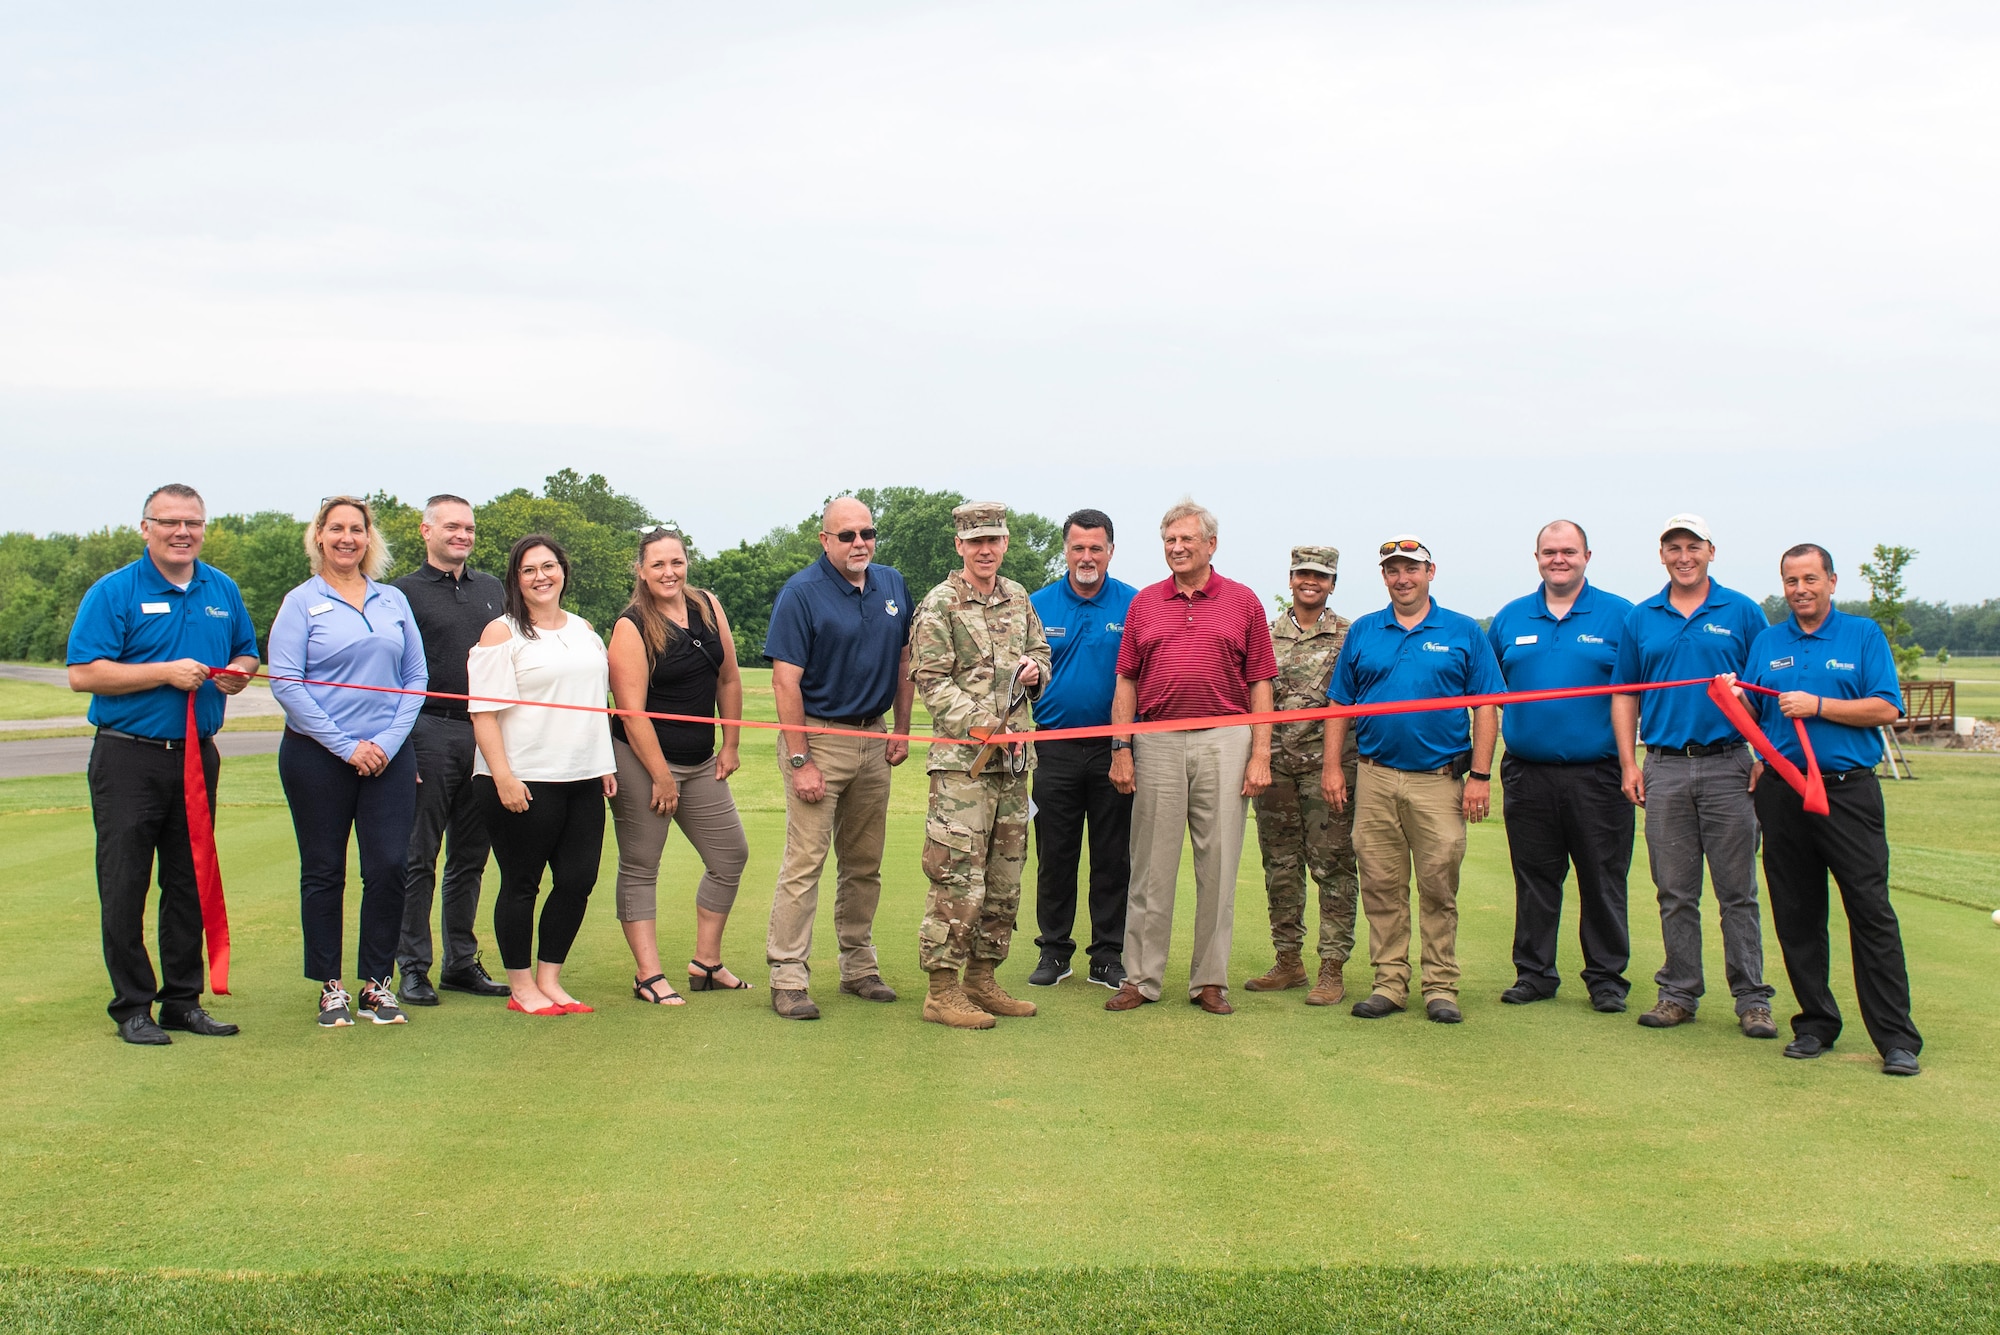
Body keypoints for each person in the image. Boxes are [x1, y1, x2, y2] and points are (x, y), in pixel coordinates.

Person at [66, 483, 260, 1045]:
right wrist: (164, 671)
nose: (182, 533)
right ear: (145, 527)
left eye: (192, 523)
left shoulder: (220, 588)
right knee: (125, 882)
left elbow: (247, 649)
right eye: (169, 522)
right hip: (129, 755)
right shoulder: (115, 591)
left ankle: (182, 1000)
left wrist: (239, 672)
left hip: (199, 757)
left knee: (189, 882)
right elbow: (85, 673)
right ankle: (131, 1005)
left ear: (203, 528)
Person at [1736, 544, 1921, 1076]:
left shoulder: (1863, 635)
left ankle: (1896, 1039)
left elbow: (1886, 706)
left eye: (1810, 579)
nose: (1801, 590)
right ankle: (1816, 1023)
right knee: (1797, 913)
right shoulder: (1769, 642)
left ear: (1832, 582)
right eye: (1791, 580)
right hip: (1782, 792)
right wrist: (1733, 694)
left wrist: (1817, 705)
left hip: (1847, 791)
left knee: (1870, 911)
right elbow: (1756, 710)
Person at [1104, 499, 1277, 1017]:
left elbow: (1261, 683)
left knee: (1218, 865)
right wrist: (1122, 747)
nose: (1176, 549)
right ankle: (1141, 978)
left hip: (1226, 740)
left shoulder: (1243, 601)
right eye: (1169, 541)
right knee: (1151, 869)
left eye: (1186, 540)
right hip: (1156, 740)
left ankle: (1209, 981)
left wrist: (1260, 753)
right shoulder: (1145, 603)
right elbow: (1126, 681)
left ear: (1210, 545)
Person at [1322, 536, 1503, 1025]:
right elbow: (1340, 703)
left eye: (1412, 569)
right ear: (1384, 577)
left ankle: (1441, 986)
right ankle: (1388, 983)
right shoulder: (1364, 631)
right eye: (1393, 570)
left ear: (1430, 572)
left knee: (1439, 886)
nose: (1402, 578)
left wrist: (1481, 776)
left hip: (1439, 780)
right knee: (1382, 886)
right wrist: (1332, 766)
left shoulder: (1464, 631)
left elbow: (1487, 705)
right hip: (1375, 776)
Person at [1610, 513, 1777, 1039]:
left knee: (1738, 893)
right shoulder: (1642, 617)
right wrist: (1629, 763)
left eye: (1692, 546)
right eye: (1673, 547)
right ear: (1662, 555)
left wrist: (1767, 757)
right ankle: (1678, 992)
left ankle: (1752, 999)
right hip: (1663, 765)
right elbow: (1624, 694)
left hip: (1729, 763)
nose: (1683, 556)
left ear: (1710, 550)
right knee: (1675, 891)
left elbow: (1769, 688)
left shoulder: (1744, 612)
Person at [269, 495, 427, 1028]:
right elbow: (288, 685)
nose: (346, 538)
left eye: (356, 529)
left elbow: (416, 679)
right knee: (324, 870)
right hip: (318, 757)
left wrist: (384, 742)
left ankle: (376, 985)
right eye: (335, 529)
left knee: (388, 867)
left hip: (389, 755)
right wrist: (347, 746)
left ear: (368, 537)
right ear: (319, 536)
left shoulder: (391, 601)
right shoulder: (300, 602)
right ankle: (330, 987)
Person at [760, 496, 916, 1019]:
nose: (859, 544)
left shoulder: (892, 584)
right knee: (805, 863)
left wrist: (900, 729)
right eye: (846, 535)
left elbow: (904, 660)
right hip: (820, 738)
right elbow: (786, 681)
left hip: (874, 738)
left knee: (864, 864)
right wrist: (801, 760)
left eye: (867, 534)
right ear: (825, 540)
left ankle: (859, 967)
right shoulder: (801, 593)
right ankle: (787, 976)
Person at [908, 502, 1054, 1029]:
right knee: (956, 876)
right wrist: (980, 725)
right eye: (975, 542)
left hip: (1014, 763)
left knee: (1005, 877)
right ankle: (942, 989)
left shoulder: (1019, 598)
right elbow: (930, 679)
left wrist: (1038, 670)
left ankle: (981, 977)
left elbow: (1040, 652)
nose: (985, 550)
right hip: (961, 767)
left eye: (993, 540)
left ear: (1006, 542)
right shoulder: (940, 604)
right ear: (959, 546)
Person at [1485, 521, 1638, 1012]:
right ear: (1536, 557)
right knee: (1534, 878)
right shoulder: (1510, 618)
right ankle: (1534, 974)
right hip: (1528, 772)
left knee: (1602, 879)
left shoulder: (1621, 617)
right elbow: (1488, 695)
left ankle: (1607, 979)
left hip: (1599, 774)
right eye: (1549, 551)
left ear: (1587, 556)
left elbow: (1635, 694)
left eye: (1568, 551)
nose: (1559, 559)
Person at [468, 535, 617, 1016]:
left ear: (563, 572)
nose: (541, 576)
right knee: (522, 884)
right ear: (515, 579)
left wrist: (604, 765)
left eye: (548, 566)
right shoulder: (501, 633)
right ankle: (521, 986)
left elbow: (596, 705)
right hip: (522, 779)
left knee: (577, 881)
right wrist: (503, 776)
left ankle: (550, 979)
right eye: (529, 570)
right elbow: (484, 714)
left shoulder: (586, 630)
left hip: (582, 777)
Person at [607, 528, 752, 1005]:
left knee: (730, 856)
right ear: (641, 571)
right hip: (642, 761)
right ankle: (647, 975)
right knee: (642, 865)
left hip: (701, 758)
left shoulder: (707, 605)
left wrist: (730, 744)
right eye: (658, 565)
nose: (669, 572)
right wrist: (661, 776)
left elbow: (728, 677)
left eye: (677, 562)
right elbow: (632, 710)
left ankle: (705, 963)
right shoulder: (631, 625)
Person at [391, 494, 510, 1006]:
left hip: (485, 732)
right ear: (426, 531)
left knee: (470, 856)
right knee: (419, 857)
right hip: (427, 730)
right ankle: (413, 967)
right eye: (452, 527)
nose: (462, 535)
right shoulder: (402, 593)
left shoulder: (491, 589)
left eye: (470, 528)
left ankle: (461, 962)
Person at [1025, 508, 1137, 990]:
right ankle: (1054, 951)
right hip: (1053, 750)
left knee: (1112, 857)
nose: (1086, 557)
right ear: (1066, 550)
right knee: (1056, 855)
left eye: (1096, 548)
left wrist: (1124, 744)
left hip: (1117, 749)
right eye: (1077, 548)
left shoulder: (1136, 604)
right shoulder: (1036, 604)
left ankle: (1108, 955)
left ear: (1111, 550)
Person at [1245, 545, 1359, 1007]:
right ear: (1290, 579)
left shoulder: (1351, 635)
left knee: (1332, 867)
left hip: (1327, 769)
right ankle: (1288, 960)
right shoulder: (1265, 634)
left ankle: (1331, 967)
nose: (1311, 582)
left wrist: (1335, 766)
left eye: (1321, 576)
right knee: (1281, 867)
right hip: (1273, 767)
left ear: (1332, 583)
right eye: (1303, 574)